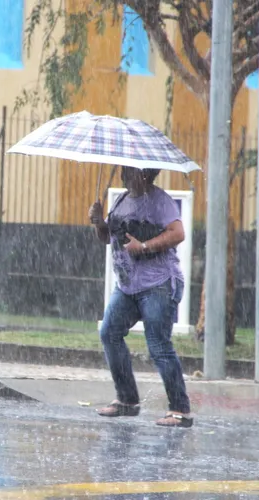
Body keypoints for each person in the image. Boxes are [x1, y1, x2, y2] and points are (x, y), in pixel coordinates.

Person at [88, 166, 193, 427]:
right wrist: (99, 222)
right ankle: (127, 400)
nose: (123, 173)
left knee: (158, 345)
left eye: (129, 170)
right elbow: (107, 239)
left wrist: (143, 246)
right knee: (109, 332)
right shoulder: (122, 200)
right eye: (124, 169)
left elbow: (178, 233)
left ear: (144, 174)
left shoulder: (160, 201)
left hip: (157, 284)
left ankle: (180, 410)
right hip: (127, 287)